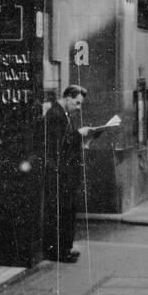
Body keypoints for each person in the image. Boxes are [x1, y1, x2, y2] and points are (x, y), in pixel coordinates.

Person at [42, 85, 93, 262]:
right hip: (61, 174)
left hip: (67, 173)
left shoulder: (64, 114)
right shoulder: (56, 114)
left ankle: (66, 247)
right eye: (77, 103)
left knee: (68, 211)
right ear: (68, 98)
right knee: (62, 212)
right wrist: (78, 134)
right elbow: (59, 144)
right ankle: (60, 251)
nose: (78, 108)